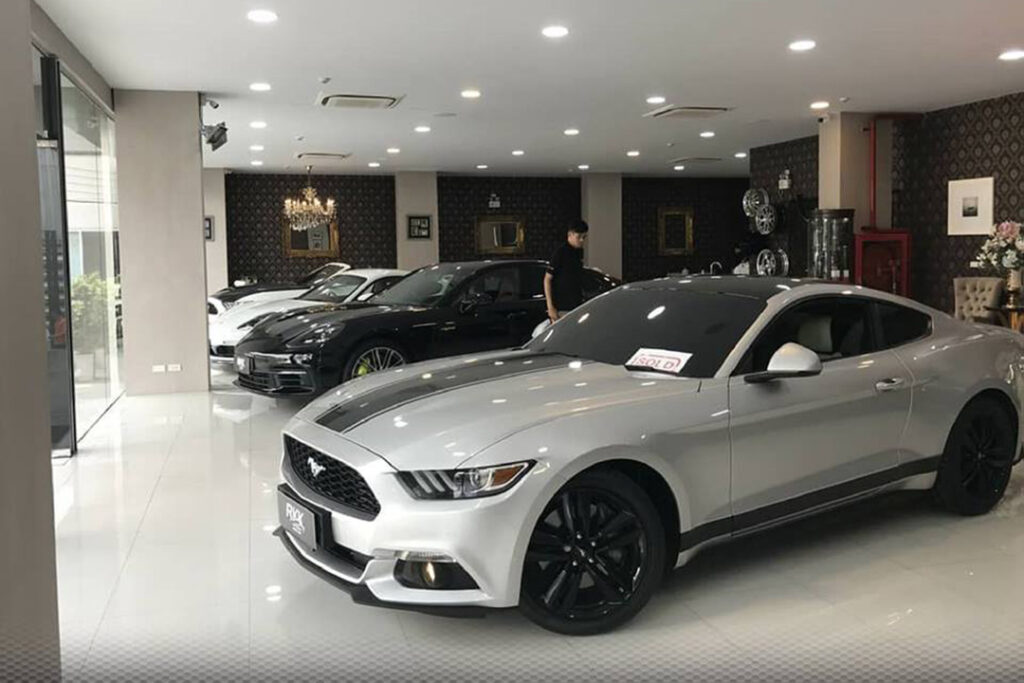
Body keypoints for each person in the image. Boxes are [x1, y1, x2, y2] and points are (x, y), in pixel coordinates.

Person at [544, 219, 589, 323]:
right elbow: (547, 279)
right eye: (579, 237)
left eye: (584, 237)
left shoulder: (578, 252)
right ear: (570, 234)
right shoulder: (560, 252)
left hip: (576, 305)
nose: (582, 240)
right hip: (561, 307)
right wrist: (550, 307)